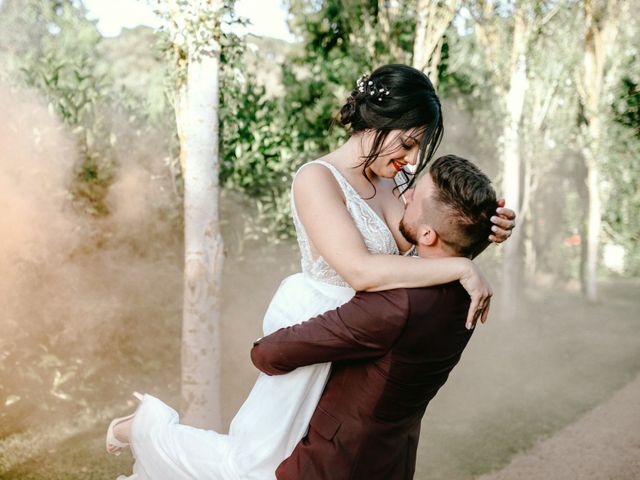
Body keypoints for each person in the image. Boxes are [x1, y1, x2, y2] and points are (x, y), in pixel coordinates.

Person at [105, 65, 516, 480]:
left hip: (367, 341)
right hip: (319, 328)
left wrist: (481, 231)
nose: (411, 159)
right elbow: (361, 272)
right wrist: (460, 265)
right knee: (254, 467)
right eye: (407, 143)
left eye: (419, 147)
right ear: (378, 121)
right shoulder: (317, 179)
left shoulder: (399, 182)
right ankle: (146, 428)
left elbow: (432, 240)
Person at [251, 154, 496, 480]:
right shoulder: (468, 293)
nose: (404, 195)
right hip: (394, 460)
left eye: (414, 196)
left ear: (427, 236)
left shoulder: (396, 303)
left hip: (334, 467)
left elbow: (269, 353)